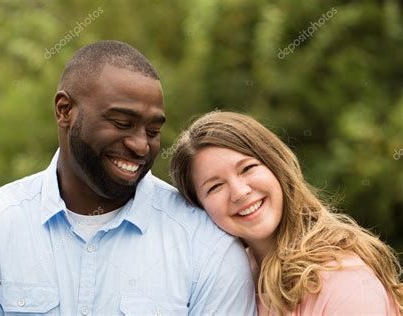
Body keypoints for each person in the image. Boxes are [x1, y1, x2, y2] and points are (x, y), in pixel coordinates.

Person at [0, 42, 256, 315]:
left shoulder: (208, 247)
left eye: (153, 131)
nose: (140, 144)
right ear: (64, 110)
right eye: (121, 122)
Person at [170, 111, 402, 315]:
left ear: (276, 165)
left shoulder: (343, 280)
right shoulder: (228, 281)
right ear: (200, 208)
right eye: (215, 187)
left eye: (248, 168)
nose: (239, 193)